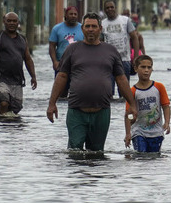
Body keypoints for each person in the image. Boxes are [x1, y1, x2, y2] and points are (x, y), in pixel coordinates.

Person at [47, 13, 137, 152]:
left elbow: (121, 79)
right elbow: (62, 76)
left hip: (102, 112)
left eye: (94, 26)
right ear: (82, 29)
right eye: (87, 26)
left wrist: (131, 104)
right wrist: (52, 103)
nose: (90, 29)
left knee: (97, 153)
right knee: (74, 151)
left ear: (100, 29)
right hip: (76, 111)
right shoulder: (72, 49)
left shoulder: (110, 51)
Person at [0, 12, 38, 119]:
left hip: (17, 79)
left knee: (15, 109)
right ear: (4, 22)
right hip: (1, 77)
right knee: (4, 103)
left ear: (18, 23)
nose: (11, 23)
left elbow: (28, 59)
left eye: (14, 21)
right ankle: (1, 127)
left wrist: (33, 77)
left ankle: (7, 128)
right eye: (9, 21)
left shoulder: (22, 39)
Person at [124, 54, 171, 152]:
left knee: (153, 157)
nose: (146, 70)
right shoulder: (132, 91)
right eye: (143, 67)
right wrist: (128, 133)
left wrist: (167, 122)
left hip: (157, 132)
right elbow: (128, 114)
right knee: (141, 155)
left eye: (149, 67)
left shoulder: (159, 87)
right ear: (136, 68)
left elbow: (166, 106)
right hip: (138, 132)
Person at [101, 0, 140, 77]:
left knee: (124, 88)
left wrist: (136, 58)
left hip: (124, 60)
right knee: (109, 88)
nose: (110, 9)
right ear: (104, 10)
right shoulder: (102, 24)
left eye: (112, 7)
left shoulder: (125, 21)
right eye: (107, 8)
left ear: (115, 8)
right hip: (109, 62)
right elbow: (100, 42)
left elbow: (135, 38)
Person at [48, 6, 83, 73]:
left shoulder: (83, 28)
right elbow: (52, 46)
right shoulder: (57, 29)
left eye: (75, 14)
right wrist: (55, 61)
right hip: (61, 65)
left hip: (78, 65)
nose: (73, 16)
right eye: (71, 14)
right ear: (66, 15)